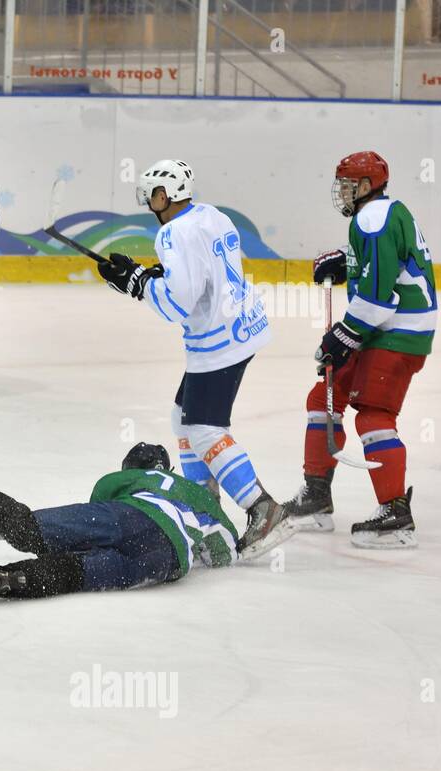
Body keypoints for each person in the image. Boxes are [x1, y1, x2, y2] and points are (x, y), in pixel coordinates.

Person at [96, 159, 294, 559]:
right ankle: (205, 510)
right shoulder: (211, 215)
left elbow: (177, 305)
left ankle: (263, 508)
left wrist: (138, 286)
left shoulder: (171, 233)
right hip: (240, 327)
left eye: (152, 194)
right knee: (181, 416)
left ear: (163, 195)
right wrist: (146, 274)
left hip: (216, 342)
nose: (150, 203)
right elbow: (202, 271)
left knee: (203, 428)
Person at [284, 151, 435, 548]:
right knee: (323, 399)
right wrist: (346, 262)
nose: (343, 192)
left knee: (374, 415)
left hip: (397, 333)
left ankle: (396, 514)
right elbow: (381, 266)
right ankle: (317, 497)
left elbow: (380, 295)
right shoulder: (380, 213)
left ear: (367, 186)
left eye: (349, 185)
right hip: (383, 330)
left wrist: (343, 336)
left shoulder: (373, 218)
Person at [0, 443, 239, 600]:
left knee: (31, 531)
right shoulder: (199, 495)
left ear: (130, 468)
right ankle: (5, 580)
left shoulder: (119, 481)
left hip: (128, 517)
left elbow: (98, 511)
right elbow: (225, 549)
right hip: (168, 559)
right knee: (72, 573)